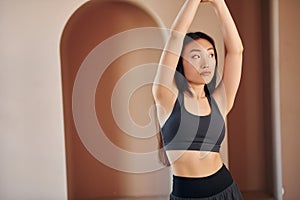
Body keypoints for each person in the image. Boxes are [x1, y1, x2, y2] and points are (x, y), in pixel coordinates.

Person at [152, 0, 244, 199]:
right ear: (179, 62)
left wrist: (219, 3)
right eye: (195, 56)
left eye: (211, 55)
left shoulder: (219, 100)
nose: (206, 63)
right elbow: (176, 36)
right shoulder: (166, 96)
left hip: (225, 190)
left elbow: (236, 51)